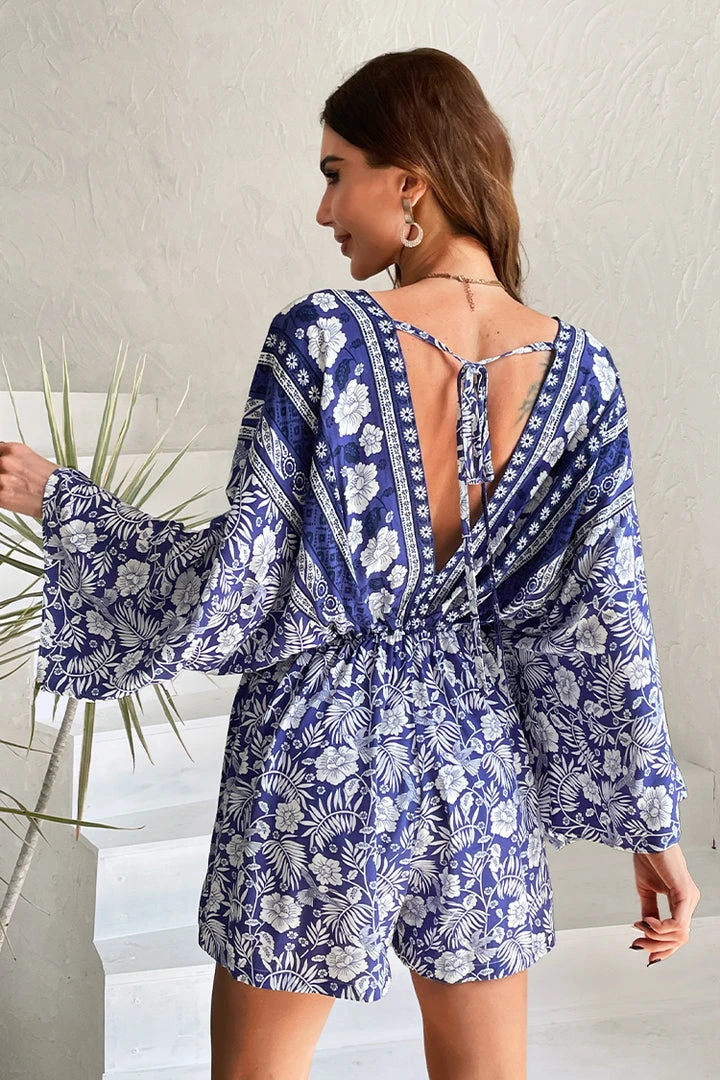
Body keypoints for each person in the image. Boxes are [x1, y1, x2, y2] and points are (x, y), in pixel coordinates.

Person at [0, 46, 701, 1080]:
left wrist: (66, 504)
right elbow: (608, 616)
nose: (325, 210)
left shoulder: (323, 336)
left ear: (409, 181)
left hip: (318, 745)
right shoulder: (584, 370)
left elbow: (242, 573)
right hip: (477, 752)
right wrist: (655, 830)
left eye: (337, 173)